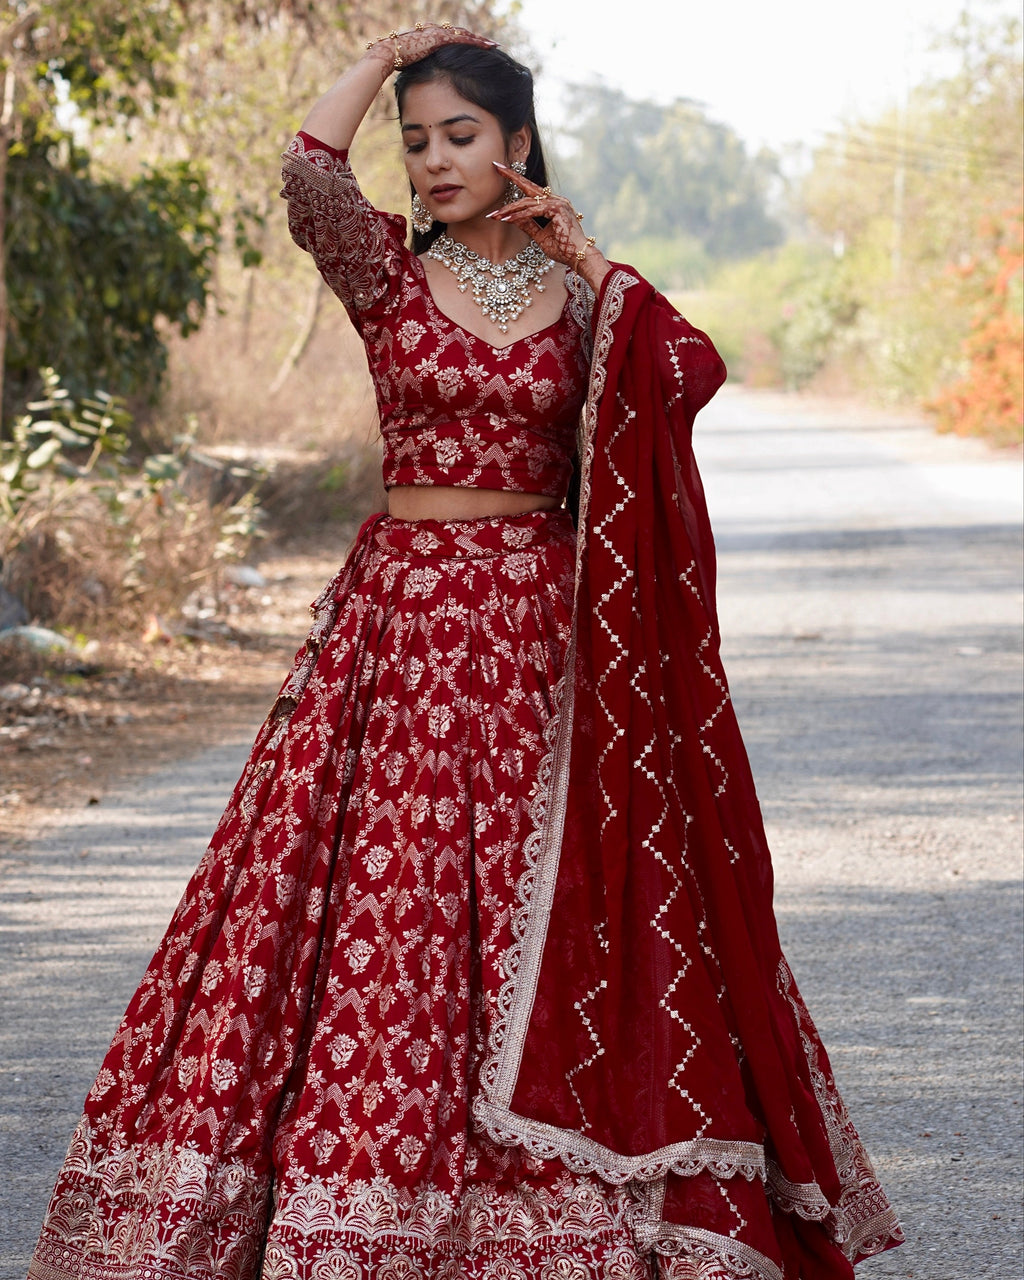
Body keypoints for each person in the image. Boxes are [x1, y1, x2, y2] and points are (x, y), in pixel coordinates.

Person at [28, 23, 903, 1280]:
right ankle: (354, 1200)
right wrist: (389, 51)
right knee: (381, 907)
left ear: (517, 145)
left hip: (544, 643)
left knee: (546, 907)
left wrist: (588, 258)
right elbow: (308, 170)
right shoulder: (384, 271)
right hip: (399, 634)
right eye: (418, 140)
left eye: (460, 136)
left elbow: (687, 372)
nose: (433, 161)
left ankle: (554, 1202)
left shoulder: (584, 298)